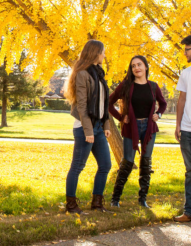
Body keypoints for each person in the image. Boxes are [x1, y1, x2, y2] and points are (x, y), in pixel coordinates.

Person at [109, 56, 166, 208]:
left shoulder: (153, 86)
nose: (136, 68)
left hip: (149, 128)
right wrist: (121, 117)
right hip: (131, 127)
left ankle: (142, 199)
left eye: (139, 65)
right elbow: (109, 102)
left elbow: (163, 103)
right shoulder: (126, 86)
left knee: (146, 162)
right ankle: (115, 199)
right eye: (133, 65)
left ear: (146, 67)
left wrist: (158, 114)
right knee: (127, 161)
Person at [64, 39, 112, 215]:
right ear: (95, 53)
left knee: (105, 165)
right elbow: (82, 106)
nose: (104, 55)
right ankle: (71, 205)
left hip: (98, 127)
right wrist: (88, 131)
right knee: (77, 166)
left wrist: (105, 124)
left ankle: (97, 203)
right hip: (85, 127)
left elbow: (103, 103)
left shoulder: (99, 74)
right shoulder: (83, 74)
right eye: (103, 52)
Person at [174, 35, 191, 222]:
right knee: (190, 171)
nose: (185, 52)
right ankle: (189, 212)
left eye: (187, 49)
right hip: (187, 130)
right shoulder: (186, 73)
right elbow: (182, 100)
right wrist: (178, 125)